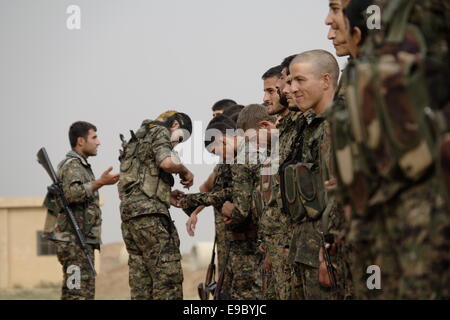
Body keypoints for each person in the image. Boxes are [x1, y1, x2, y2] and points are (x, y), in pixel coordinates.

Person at [284, 50, 346, 299]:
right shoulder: (308, 127)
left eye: (301, 80)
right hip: (305, 249)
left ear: (326, 80)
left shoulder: (342, 124)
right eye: (290, 81)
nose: (293, 88)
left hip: (330, 255)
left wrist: (330, 254)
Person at [118, 110, 194, 300]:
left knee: (141, 282)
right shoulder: (161, 132)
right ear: (175, 125)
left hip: (130, 219)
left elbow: (136, 183)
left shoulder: (136, 139)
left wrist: (165, 195)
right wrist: (185, 170)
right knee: (168, 279)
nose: (176, 144)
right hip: (151, 218)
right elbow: (167, 163)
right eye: (180, 139)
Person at [44, 121, 119, 300]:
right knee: (76, 293)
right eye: (94, 137)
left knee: (79, 293)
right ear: (80, 141)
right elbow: (72, 194)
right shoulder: (73, 165)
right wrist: (100, 182)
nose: (98, 142)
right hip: (73, 243)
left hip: (80, 242)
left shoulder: (81, 166)